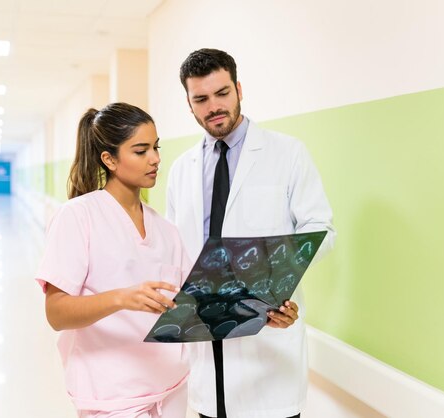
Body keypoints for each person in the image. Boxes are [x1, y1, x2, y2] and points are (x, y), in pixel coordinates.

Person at [166, 49, 336, 418]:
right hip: (205, 348)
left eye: (222, 93)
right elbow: (176, 252)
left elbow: (320, 229)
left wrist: (275, 283)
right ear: (189, 105)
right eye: (201, 99)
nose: (214, 106)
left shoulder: (287, 153)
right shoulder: (182, 170)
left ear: (239, 88)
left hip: (269, 342)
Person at [36, 102, 192, 418]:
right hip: (112, 398)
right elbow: (56, 313)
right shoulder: (78, 216)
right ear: (109, 159)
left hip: (172, 387)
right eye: (141, 150)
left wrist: (261, 307)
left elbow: (194, 300)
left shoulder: (165, 229)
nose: (155, 159)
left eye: (156, 147)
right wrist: (122, 298)